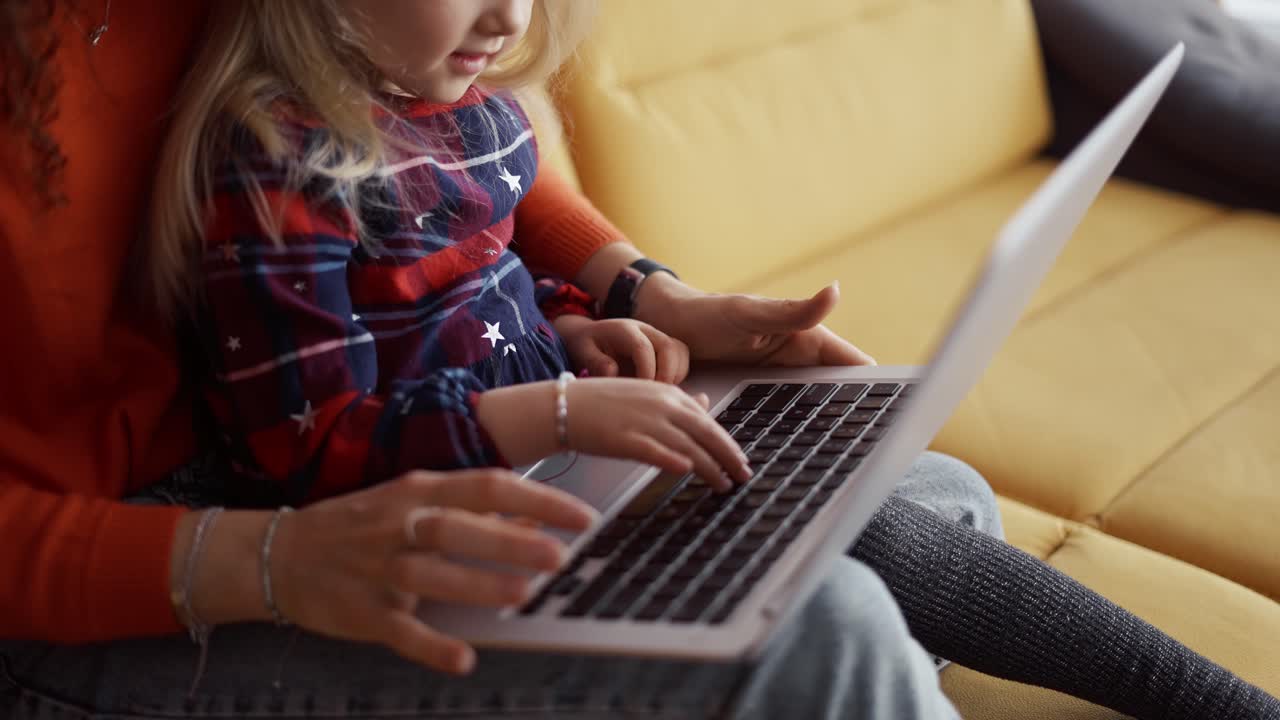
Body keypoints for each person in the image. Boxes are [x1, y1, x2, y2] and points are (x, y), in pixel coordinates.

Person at [2, 2, 1276, 720]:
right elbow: (320, 405)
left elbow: (458, 190)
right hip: (147, 565)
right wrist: (272, 563)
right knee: (821, 631)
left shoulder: (357, 46)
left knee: (906, 501)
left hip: (393, 457)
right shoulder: (265, 132)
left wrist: (621, 295)